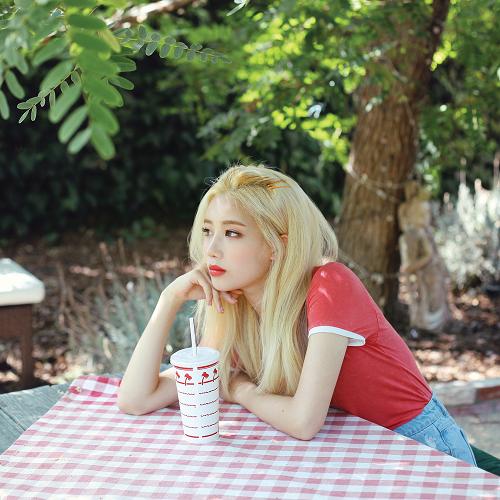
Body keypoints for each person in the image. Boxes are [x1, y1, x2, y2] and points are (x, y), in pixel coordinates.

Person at [117, 163, 477, 466]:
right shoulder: (238, 314)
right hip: (352, 448)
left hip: (418, 445)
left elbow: (304, 421)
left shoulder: (331, 285)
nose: (210, 249)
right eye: (207, 231)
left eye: (232, 233)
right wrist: (169, 299)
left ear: (277, 246)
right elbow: (136, 399)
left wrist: (241, 390)